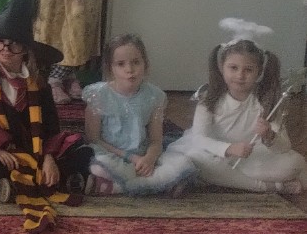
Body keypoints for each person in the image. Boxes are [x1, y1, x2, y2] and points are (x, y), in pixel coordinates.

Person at [0, 0, 91, 234]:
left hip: (36, 147)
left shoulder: (38, 85)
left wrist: (49, 157)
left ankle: (27, 180)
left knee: (81, 151)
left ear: (26, 50)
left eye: (13, 44)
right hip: (3, 149)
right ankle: (14, 181)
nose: (4, 50)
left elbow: (51, 123)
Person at [168, 19, 305, 194]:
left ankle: (221, 180)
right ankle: (268, 187)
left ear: (259, 72)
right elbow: (200, 138)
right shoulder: (209, 99)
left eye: (248, 70)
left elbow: (284, 147)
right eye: (233, 68)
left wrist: (269, 136)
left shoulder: (267, 101)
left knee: (295, 163)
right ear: (222, 68)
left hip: (252, 157)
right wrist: (228, 149)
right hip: (216, 154)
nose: (240, 75)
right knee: (193, 158)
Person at [82, 34, 196, 196]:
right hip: (111, 153)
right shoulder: (98, 95)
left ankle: (118, 186)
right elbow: (94, 139)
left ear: (145, 64)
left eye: (136, 62)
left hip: (143, 155)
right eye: (121, 64)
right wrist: (131, 157)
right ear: (110, 67)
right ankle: (155, 184)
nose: (130, 69)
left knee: (183, 162)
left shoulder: (154, 96)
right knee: (99, 165)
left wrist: (149, 158)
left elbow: (156, 140)